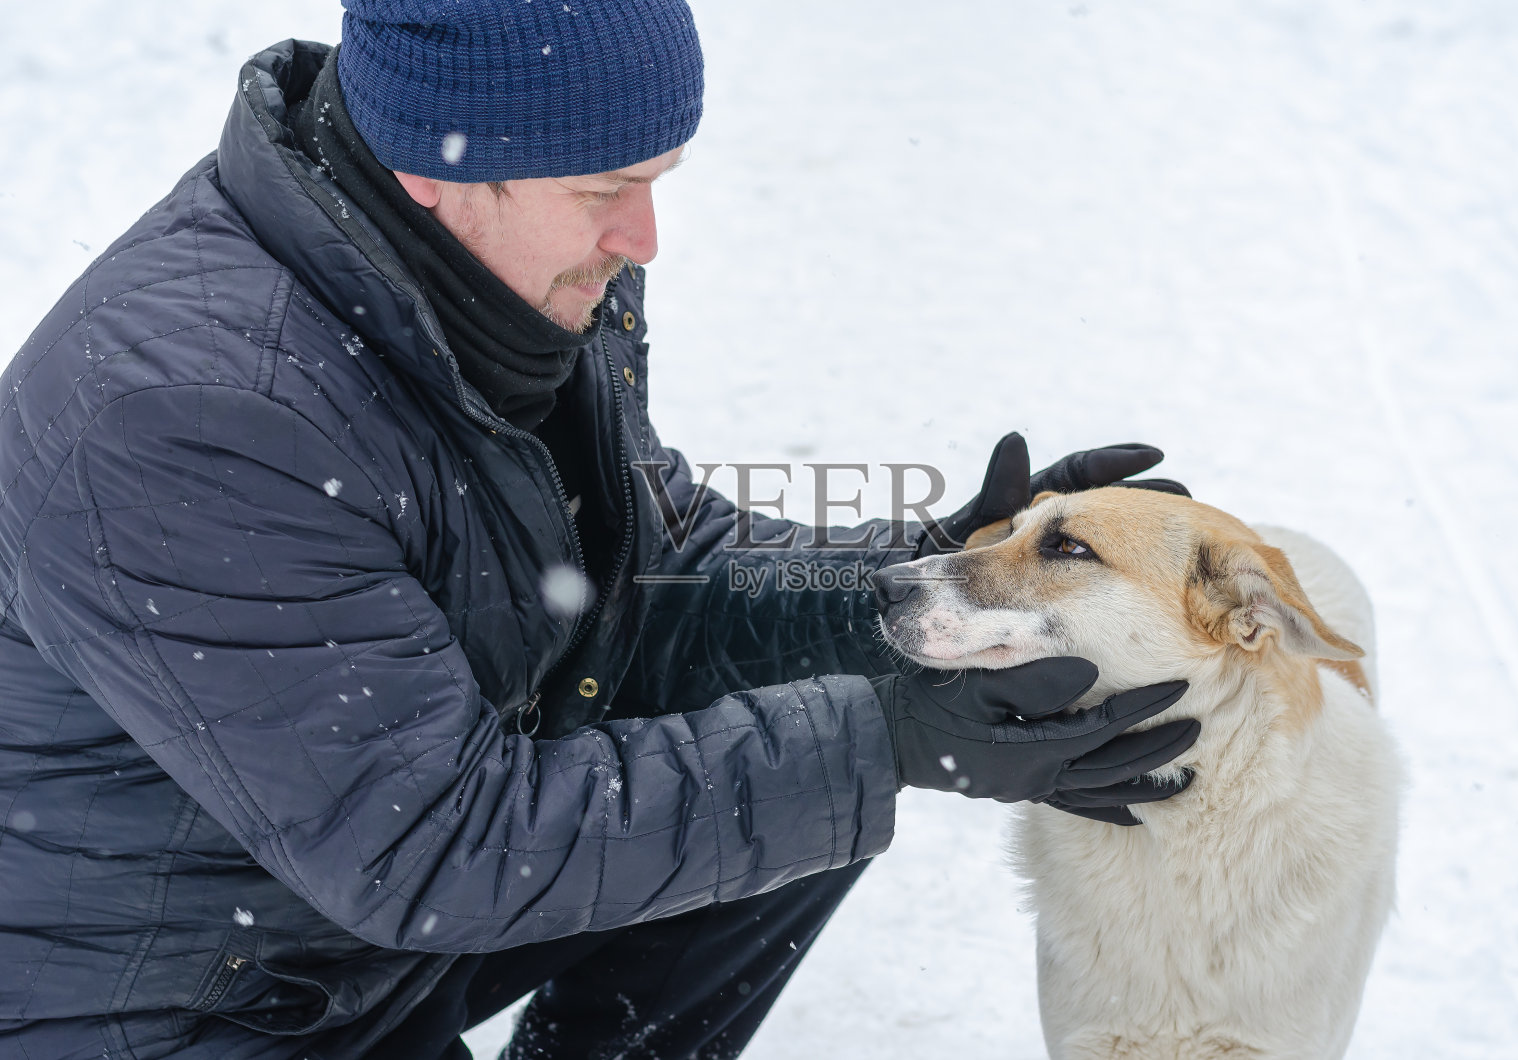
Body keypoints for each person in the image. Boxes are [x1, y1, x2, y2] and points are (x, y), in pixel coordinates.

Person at [0, 3, 1199, 1058]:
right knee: (830, 747)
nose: (642, 241)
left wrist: (916, 582)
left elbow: (649, 570)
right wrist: (887, 737)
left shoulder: (511, 264)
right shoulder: (190, 415)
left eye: (654, 181)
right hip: (187, 1004)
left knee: (823, 700)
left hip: (345, 932)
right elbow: (432, 846)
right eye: (603, 193)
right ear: (440, 163)